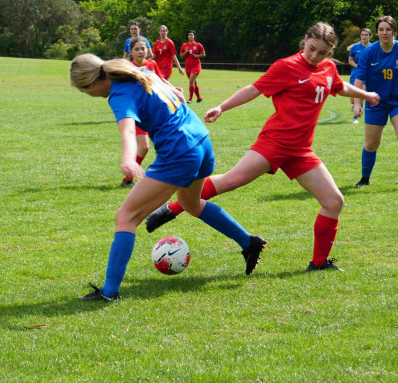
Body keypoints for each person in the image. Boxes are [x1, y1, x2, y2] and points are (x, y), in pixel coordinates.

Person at [146, 22, 380, 272]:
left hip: (301, 150)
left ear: (330, 52)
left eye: (322, 53)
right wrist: (222, 107)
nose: (315, 56)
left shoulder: (329, 68)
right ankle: (172, 207)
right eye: (311, 49)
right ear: (305, 40)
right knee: (231, 181)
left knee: (334, 201)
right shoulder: (286, 66)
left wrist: (365, 95)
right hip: (275, 142)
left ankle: (319, 263)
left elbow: (338, 85)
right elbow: (253, 89)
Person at [70, 54, 267, 301]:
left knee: (126, 217)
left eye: (82, 90)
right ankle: (248, 242)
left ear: (90, 85)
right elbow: (177, 92)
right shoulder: (140, 72)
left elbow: (129, 130)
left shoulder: (119, 93)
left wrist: (129, 159)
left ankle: (109, 293)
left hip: (179, 151)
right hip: (201, 140)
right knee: (190, 204)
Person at [120, 36, 185, 188]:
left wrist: (174, 89)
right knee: (144, 147)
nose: (141, 51)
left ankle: (166, 177)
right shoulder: (127, 68)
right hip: (138, 112)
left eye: (143, 48)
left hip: (155, 111)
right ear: (131, 52)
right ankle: (129, 178)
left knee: (165, 144)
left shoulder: (152, 64)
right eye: (137, 49)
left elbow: (160, 80)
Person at [352, 16, 398, 188]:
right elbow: (359, 79)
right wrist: (357, 104)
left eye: (388, 29)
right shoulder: (368, 52)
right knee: (372, 143)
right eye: (381, 30)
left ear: (394, 31)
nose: (384, 33)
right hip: (375, 102)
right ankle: (365, 179)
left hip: (396, 102)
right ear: (377, 32)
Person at [348, 29, 372, 123]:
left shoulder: (373, 47)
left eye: (366, 35)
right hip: (355, 74)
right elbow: (350, 60)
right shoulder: (355, 47)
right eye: (362, 35)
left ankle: (355, 118)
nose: (364, 36)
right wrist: (358, 66)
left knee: (361, 94)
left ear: (370, 36)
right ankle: (354, 105)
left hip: (367, 75)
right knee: (352, 99)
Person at [180, 30, 205, 104]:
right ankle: (199, 98)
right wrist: (185, 52)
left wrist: (197, 56)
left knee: (191, 81)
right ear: (187, 36)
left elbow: (203, 54)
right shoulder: (184, 45)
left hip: (196, 65)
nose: (191, 36)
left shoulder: (198, 45)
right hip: (188, 66)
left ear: (194, 36)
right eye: (189, 35)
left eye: (192, 35)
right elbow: (181, 56)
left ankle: (190, 98)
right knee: (194, 82)